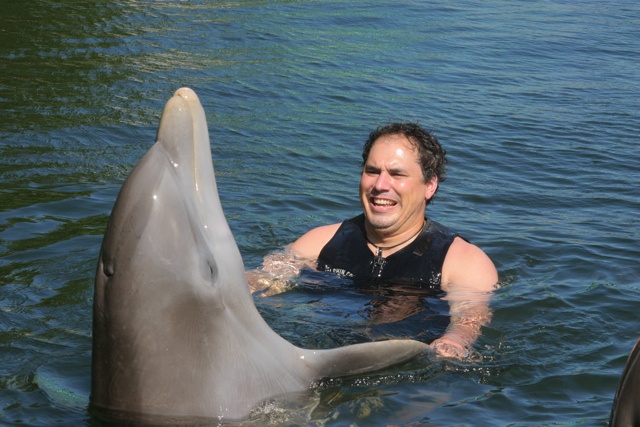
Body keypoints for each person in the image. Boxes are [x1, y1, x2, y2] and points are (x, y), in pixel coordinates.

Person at [249, 123, 498, 360]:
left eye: (397, 174)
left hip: (403, 375)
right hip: (318, 352)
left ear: (429, 185)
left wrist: (452, 344)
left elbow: (468, 320)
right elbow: (263, 279)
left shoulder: (463, 262)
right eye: (372, 171)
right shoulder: (319, 243)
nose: (380, 185)